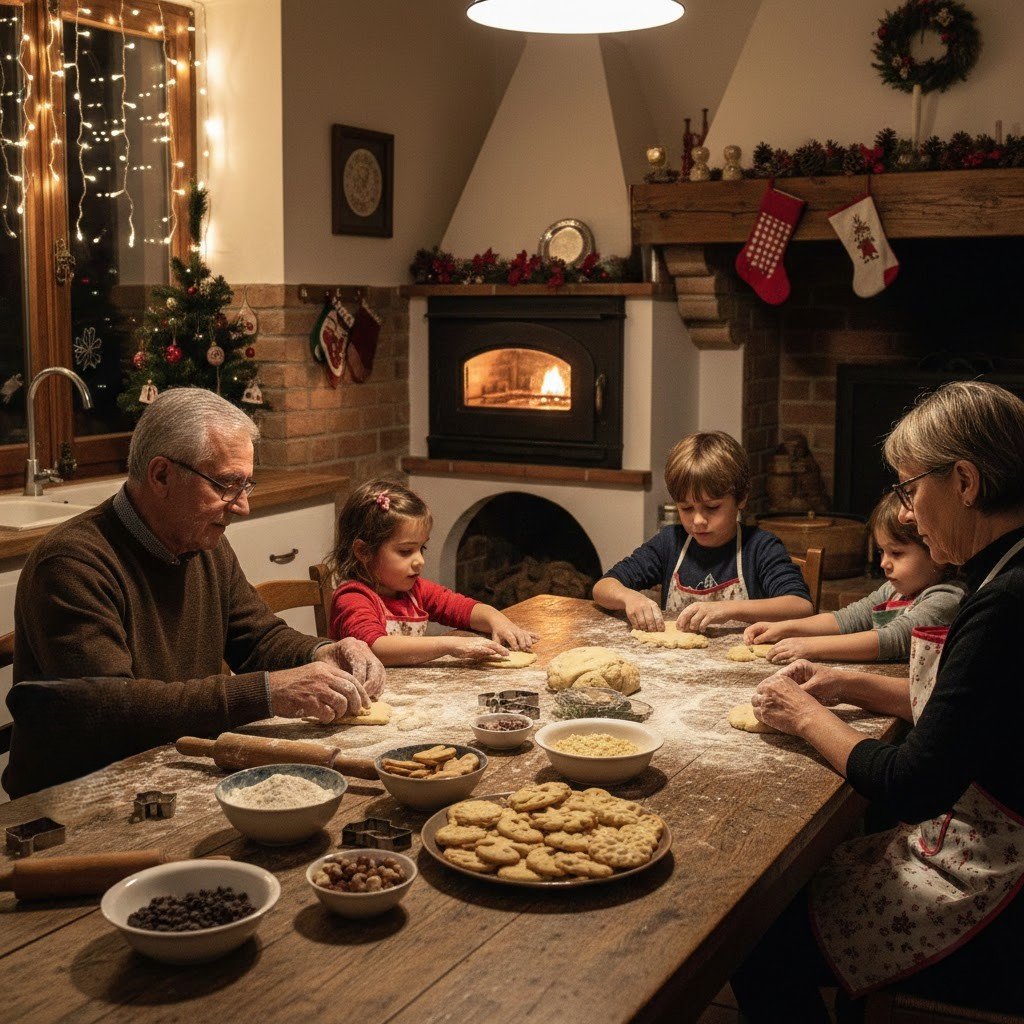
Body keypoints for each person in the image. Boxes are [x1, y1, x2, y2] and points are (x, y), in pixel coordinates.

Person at [732, 381, 1024, 1020]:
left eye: (910, 490)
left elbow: (912, 783)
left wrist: (807, 717)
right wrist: (847, 684)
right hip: (989, 841)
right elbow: (974, 719)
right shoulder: (1006, 569)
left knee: (750, 934)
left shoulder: (1003, 607)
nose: (910, 514)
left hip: (997, 887)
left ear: (966, 482)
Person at [4, 388, 386, 798]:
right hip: (74, 799)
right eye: (226, 485)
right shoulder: (71, 563)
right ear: (162, 475)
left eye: (246, 486)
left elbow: (257, 637)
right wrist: (267, 692)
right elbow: (111, 710)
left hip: (168, 767)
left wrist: (324, 652)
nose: (242, 506)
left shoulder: (201, 542)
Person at [592, 431, 813, 633]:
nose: (697, 520)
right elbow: (603, 587)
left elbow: (800, 606)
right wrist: (629, 598)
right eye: (686, 508)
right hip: (675, 662)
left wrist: (726, 609)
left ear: (742, 498)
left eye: (712, 507)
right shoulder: (670, 542)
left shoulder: (760, 547)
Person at [326, 478, 537, 666]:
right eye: (406, 551)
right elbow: (375, 647)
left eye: (422, 548)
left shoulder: (414, 591)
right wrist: (449, 645)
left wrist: (497, 620)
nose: (419, 561)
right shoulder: (353, 597)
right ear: (364, 551)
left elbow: (462, 608)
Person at [743, 490, 962, 663]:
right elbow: (849, 618)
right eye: (881, 552)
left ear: (935, 550)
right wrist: (786, 628)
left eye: (896, 553)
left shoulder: (946, 598)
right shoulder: (894, 591)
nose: (884, 563)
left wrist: (810, 647)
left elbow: (892, 639)